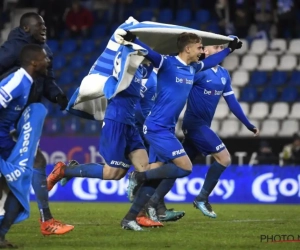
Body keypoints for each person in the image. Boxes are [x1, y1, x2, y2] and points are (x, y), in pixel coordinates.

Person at [117, 30, 242, 230]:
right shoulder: (167, 63)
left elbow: (213, 61)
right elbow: (149, 53)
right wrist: (133, 40)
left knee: (159, 171)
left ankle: (131, 217)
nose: (202, 51)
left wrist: (229, 49)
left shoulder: (193, 69)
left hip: (166, 129)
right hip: (156, 128)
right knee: (185, 167)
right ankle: (138, 177)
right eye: (200, 47)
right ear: (188, 48)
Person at [0, 12, 73, 235]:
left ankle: (42, 220)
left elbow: (47, 81)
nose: (44, 29)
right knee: (26, 170)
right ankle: (43, 220)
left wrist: (59, 96)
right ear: (25, 29)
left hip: (17, 117)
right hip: (9, 118)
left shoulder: (42, 51)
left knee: (33, 165)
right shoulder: (14, 51)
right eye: (39, 26)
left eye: (45, 25)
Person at [181, 44, 259, 218]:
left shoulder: (223, 74)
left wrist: (247, 124)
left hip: (202, 126)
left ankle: (153, 199)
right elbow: (178, 93)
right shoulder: (197, 70)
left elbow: (232, 103)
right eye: (216, 47)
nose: (220, 50)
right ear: (205, 51)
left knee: (178, 168)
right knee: (224, 158)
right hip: (194, 124)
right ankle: (201, 198)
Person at [0, 44, 50, 248]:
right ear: (34, 62)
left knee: (21, 178)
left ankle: (1, 234)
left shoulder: (28, 82)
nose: (48, 61)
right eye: (45, 58)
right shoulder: (18, 80)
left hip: (3, 138)